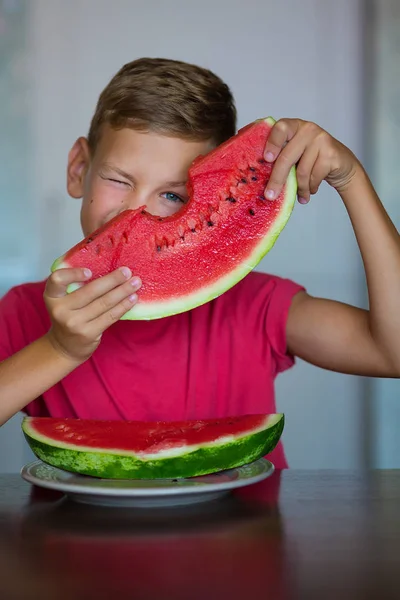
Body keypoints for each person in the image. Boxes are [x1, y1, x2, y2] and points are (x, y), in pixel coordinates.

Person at [0, 58, 399, 468]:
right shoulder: (24, 315)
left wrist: (351, 179)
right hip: (75, 531)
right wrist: (59, 349)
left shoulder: (256, 308)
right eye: (119, 180)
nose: (136, 215)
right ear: (78, 169)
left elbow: (394, 352)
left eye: (173, 196)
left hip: (245, 532)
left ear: (214, 211)